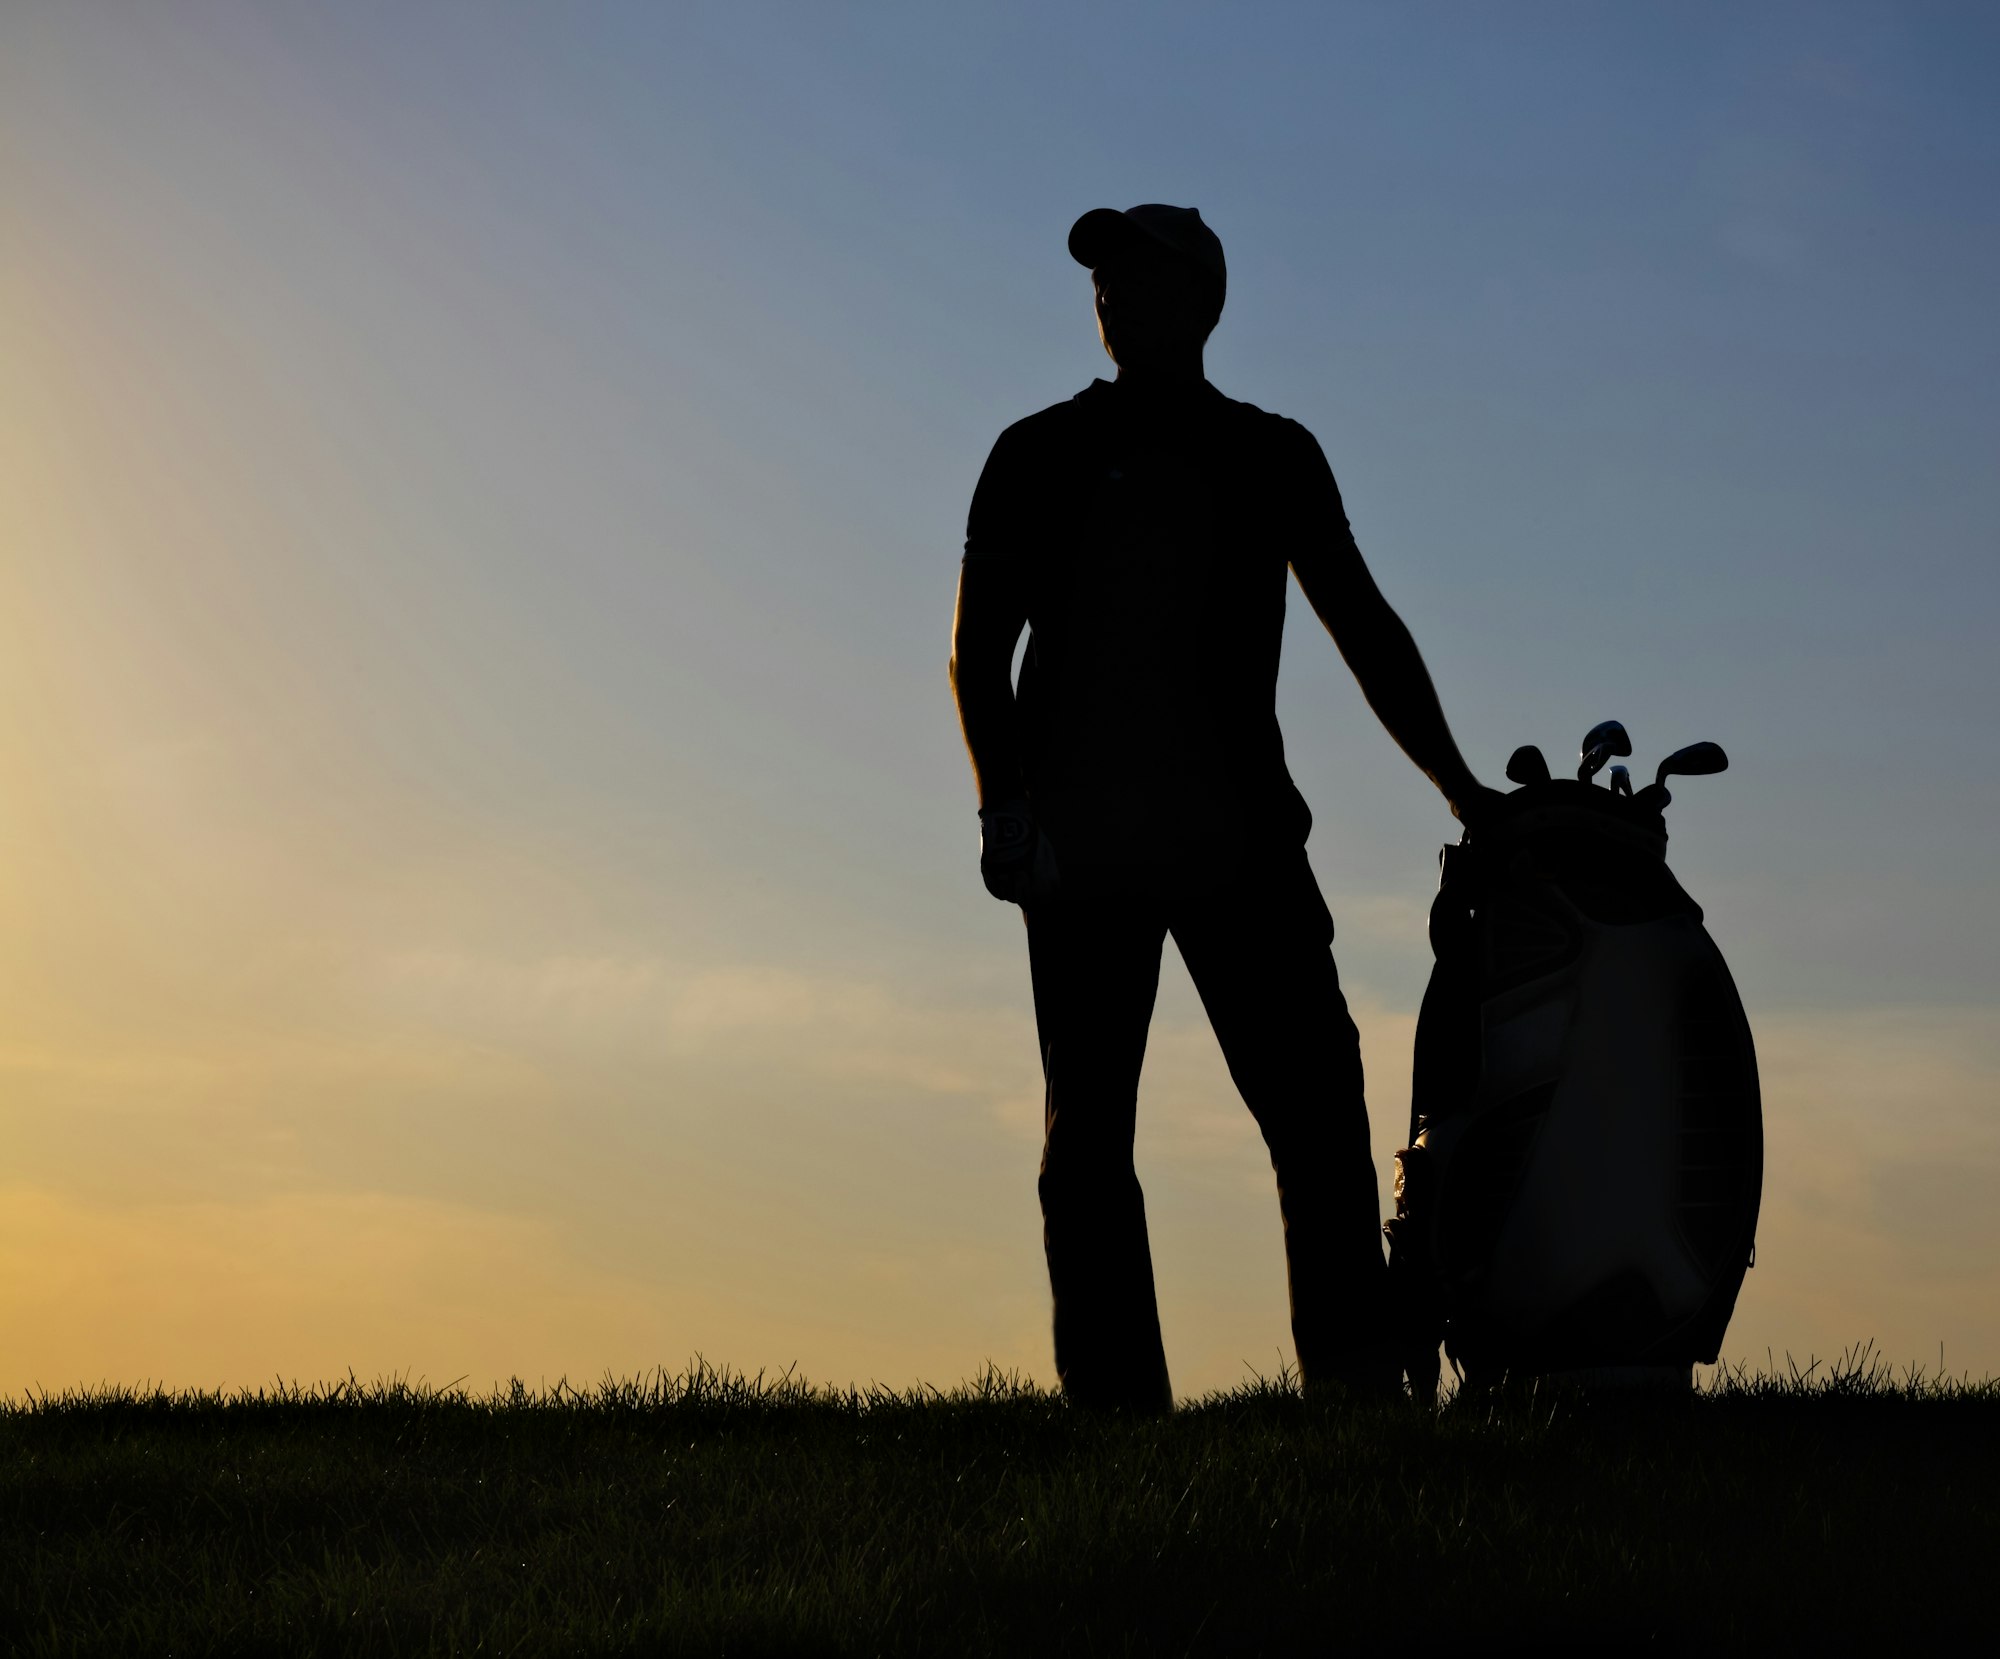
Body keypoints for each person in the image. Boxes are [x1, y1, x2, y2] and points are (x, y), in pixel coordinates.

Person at [949, 204, 1499, 1411]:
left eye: (1139, 279)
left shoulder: (1270, 454)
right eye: (1102, 283)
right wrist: (1005, 813)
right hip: (1080, 854)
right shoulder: (1034, 451)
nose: (1113, 299)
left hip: (1240, 843)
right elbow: (976, 657)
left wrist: (1459, 786)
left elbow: (1363, 625)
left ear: (1203, 303)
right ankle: (1115, 1418)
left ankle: (1355, 1395)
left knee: (1315, 1116)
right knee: (1086, 1145)